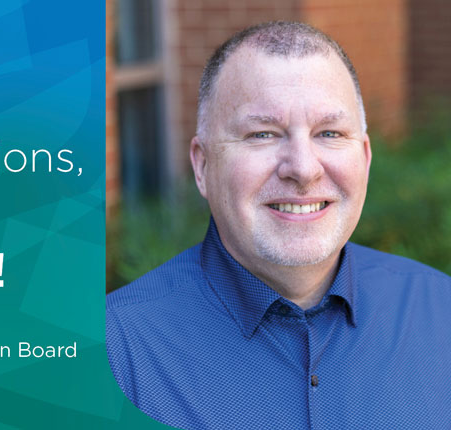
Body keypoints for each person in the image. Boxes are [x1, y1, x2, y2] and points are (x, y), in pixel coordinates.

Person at [106, 21, 451, 430]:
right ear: (202, 166)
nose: (303, 169)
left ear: (365, 158)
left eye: (329, 132)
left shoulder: (439, 309)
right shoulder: (113, 354)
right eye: (263, 134)